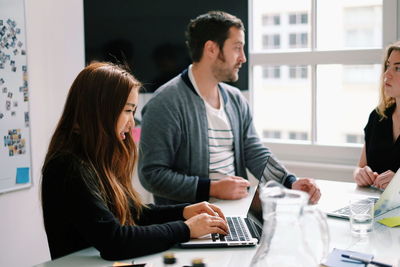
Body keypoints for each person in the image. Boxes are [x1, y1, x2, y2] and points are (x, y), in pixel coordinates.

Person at [41, 62, 228, 260]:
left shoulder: (92, 157)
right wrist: (186, 229)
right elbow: (115, 241)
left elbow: (134, 213)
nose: (132, 123)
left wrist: (183, 211)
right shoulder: (67, 167)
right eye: (127, 111)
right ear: (101, 109)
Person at [138, 11, 321, 205]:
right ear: (211, 49)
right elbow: (152, 174)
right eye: (237, 48)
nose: (243, 58)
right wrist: (212, 188)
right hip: (191, 220)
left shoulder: (235, 99)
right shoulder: (165, 103)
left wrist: (289, 182)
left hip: (236, 209)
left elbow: (253, 150)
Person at [354, 41, 400, 189]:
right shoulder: (377, 117)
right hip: (373, 206)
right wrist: (360, 174)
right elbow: (360, 167)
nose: (387, 74)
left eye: (397, 68)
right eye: (388, 66)